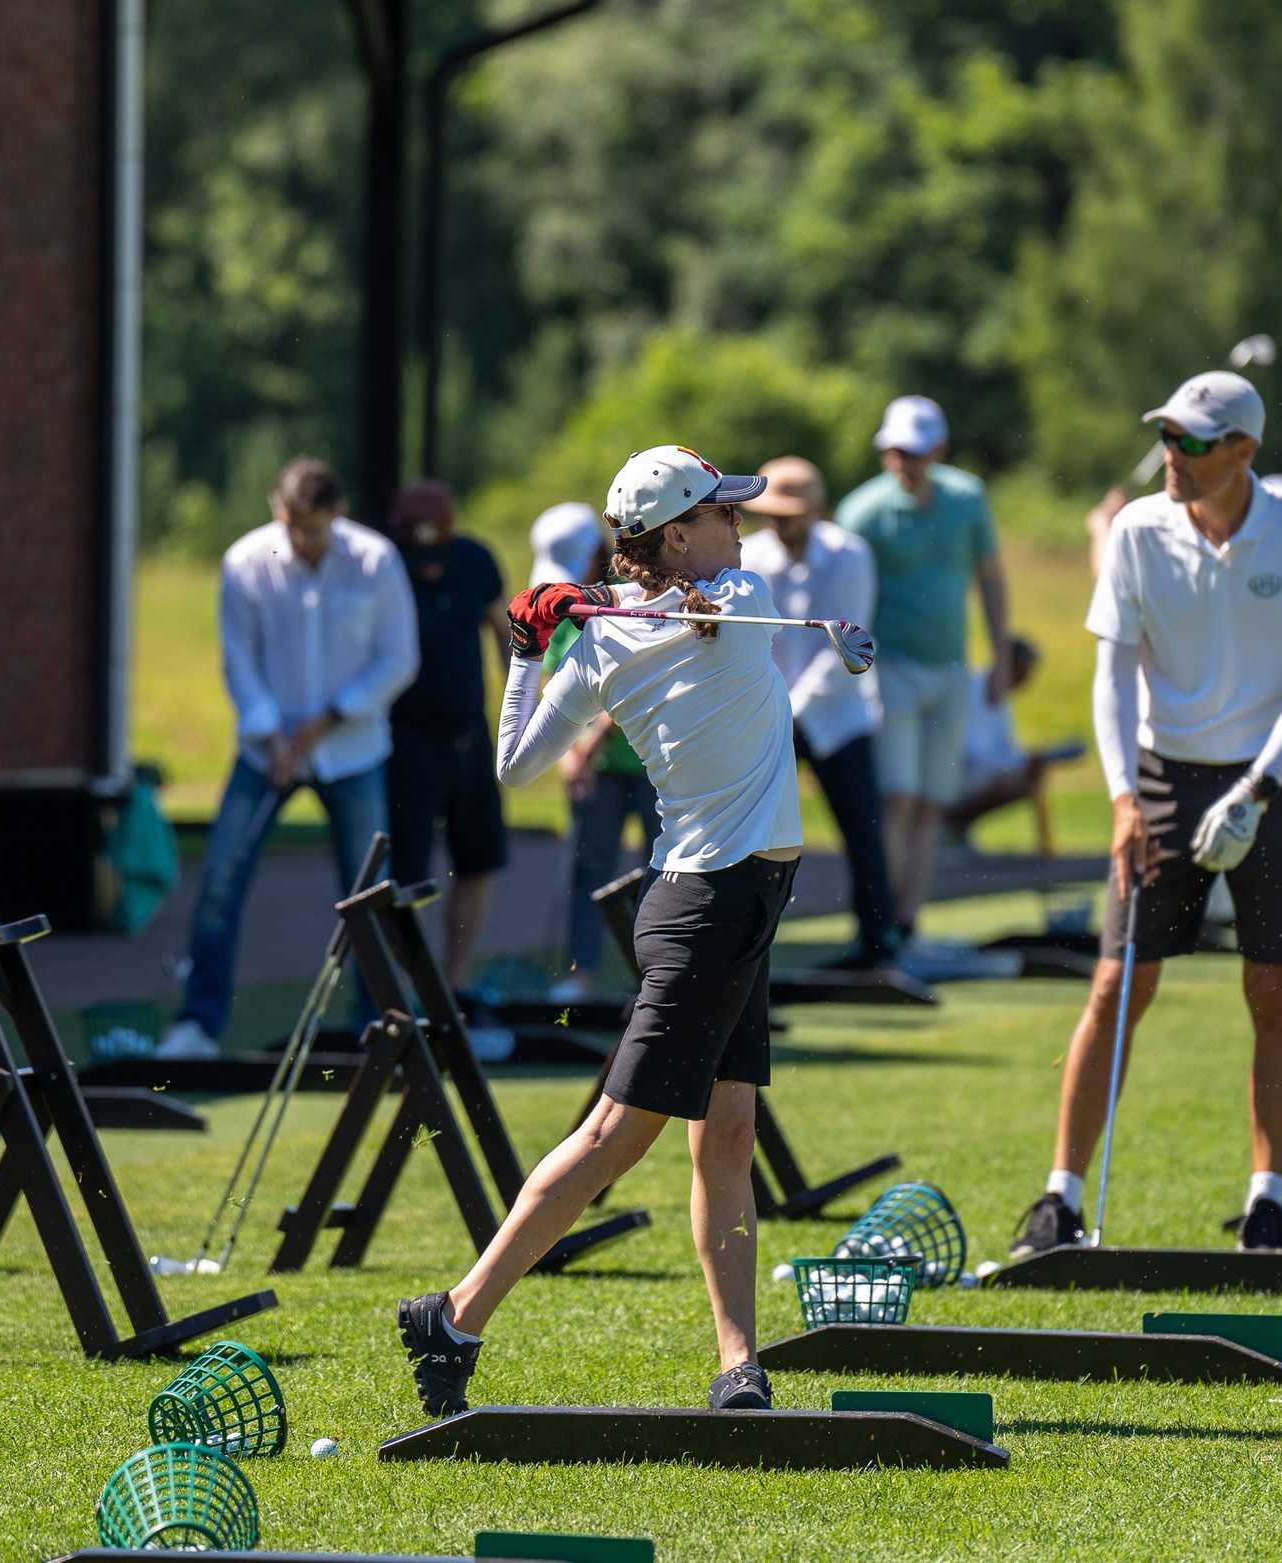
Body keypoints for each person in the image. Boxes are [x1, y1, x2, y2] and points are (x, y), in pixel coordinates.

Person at [398, 446, 797, 1417]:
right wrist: (530, 654)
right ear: (674, 535)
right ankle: (454, 1313)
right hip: (702, 906)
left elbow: (718, 600)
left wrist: (568, 634)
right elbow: (517, 766)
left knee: (729, 1134)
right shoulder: (615, 638)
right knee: (618, 1135)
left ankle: (737, 1365)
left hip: (741, 906)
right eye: (720, 515)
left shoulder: (725, 601)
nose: (737, 527)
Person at [1006, 370, 1282, 1259]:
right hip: (1160, 779)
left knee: (1274, 988)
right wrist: (1124, 795)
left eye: (1193, 443)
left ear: (1244, 451)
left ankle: (1268, 1201)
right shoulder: (1135, 530)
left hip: (1271, 781)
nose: (1173, 455)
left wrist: (1258, 788)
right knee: (1118, 986)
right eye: (1168, 437)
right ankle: (1060, 1198)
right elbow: (1112, 675)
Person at [160, 458, 418, 1059]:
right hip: (263, 751)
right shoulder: (246, 560)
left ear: (340, 513)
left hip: (351, 750)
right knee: (221, 879)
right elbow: (238, 659)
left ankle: (380, 1026)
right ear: (278, 507)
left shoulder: (376, 559)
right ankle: (197, 1023)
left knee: (368, 893)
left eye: (314, 527)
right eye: (291, 522)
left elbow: (397, 658)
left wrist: (327, 719)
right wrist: (274, 735)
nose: (300, 538)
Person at [836, 396, 1010, 943]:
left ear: (937, 449)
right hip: (890, 668)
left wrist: (1001, 656)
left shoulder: (967, 498)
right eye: (893, 450)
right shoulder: (864, 512)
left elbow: (990, 577)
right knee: (897, 797)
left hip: (952, 669)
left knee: (933, 800)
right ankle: (880, 920)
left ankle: (908, 924)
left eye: (912, 450)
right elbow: (844, 595)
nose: (902, 461)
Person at [738, 457, 898, 966]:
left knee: (861, 830)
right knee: (751, 830)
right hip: (770, 713)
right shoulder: (751, 557)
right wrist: (771, 710)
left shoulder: (850, 555)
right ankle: (742, 940)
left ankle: (879, 941)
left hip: (838, 715)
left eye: (790, 513)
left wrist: (789, 711)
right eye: (773, 513)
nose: (778, 523)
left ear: (817, 510)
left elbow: (846, 642)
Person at [532, 502, 662, 1003]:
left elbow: (627, 682)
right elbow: (553, 692)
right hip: (598, 772)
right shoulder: (564, 615)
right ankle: (581, 974)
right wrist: (568, 757)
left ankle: (656, 980)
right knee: (589, 868)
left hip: (649, 761)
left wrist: (586, 742)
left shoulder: (636, 599)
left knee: (664, 869)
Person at [385, 480, 510, 993]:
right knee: (405, 876)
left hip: (469, 733)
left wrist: (521, 709)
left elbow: (505, 631)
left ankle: (453, 984)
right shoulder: (383, 566)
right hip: (403, 740)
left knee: (476, 860)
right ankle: (413, 988)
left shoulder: (476, 559)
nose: (431, 566)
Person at [948, 637, 1060, 856]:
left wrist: (1029, 761)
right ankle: (950, 827)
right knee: (1006, 780)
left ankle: (1046, 852)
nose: (1027, 679)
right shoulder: (969, 690)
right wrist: (1009, 766)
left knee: (1033, 776)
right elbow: (967, 754)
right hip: (955, 776)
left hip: (976, 773)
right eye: (1024, 671)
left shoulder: (1001, 700)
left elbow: (1005, 749)